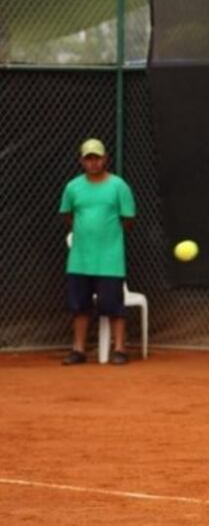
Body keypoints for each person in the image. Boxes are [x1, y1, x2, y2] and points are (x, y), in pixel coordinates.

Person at [59, 138, 136, 366]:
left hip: (110, 260)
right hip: (79, 260)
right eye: (88, 158)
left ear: (105, 159)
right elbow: (66, 214)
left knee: (114, 306)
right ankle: (78, 350)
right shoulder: (73, 187)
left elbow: (129, 219)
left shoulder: (118, 186)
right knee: (79, 307)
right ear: (81, 161)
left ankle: (120, 349)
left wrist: (107, 235)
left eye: (97, 158)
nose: (93, 162)